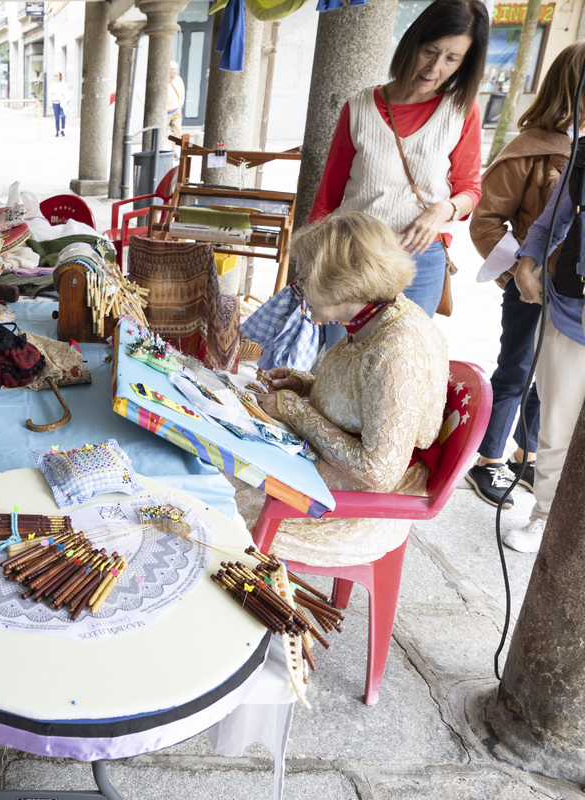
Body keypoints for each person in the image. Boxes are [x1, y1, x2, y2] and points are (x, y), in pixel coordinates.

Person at [233, 213, 449, 566]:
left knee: (214, 499)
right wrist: (304, 383)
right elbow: (368, 400)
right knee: (215, 464)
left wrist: (294, 409)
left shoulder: (397, 347)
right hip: (331, 473)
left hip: (359, 507)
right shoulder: (374, 317)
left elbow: (377, 471)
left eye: (307, 280)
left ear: (342, 283)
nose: (300, 288)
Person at [308, 0, 488, 318]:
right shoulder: (359, 107)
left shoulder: (462, 111)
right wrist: (310, 262)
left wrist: (444, 209)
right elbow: (329, 195)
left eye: (451, 58)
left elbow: (470, 189)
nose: (435, 68)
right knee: (342, 359)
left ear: (465, 63)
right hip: (352, 254)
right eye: (430, 51)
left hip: (421, 258)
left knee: (407, 360)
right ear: (412, 42)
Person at [466, 42, 585, 509]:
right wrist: (522, 271)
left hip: (569, 293)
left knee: (552, 383)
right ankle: (487, 459)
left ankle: (526, 454)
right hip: (531, 288)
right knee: (515, 370)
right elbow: (485, 222)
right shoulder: (530, 150)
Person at [500, 130, 585, 552]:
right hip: (572, 310)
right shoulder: (584, 151)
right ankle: (544, 519)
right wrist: (527, 263)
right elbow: (554, 218)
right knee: (556, 425)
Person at [166, 61, 185, 138]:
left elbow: (182, 93)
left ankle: (174, 149)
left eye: (176, 69)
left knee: (177, 131)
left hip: (176, 109)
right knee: (160, 132)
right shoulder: (164, 80)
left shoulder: (179, 79)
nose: (175, 71)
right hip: (166, 110)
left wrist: (180, 104)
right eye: (172, 69)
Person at [50, 71, 69, 138]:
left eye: (57, 75)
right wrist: (50, 103)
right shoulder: (52, 84)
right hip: (55, 102)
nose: (55, 77)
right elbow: (50, 94)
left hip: (62, 102)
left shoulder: (63, 83)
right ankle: (57, 131)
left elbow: (67, 92)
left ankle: (62, 129)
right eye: (54, 75)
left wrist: (66, 99)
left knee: (63, 116)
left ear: (60, 76)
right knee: (57, 118)